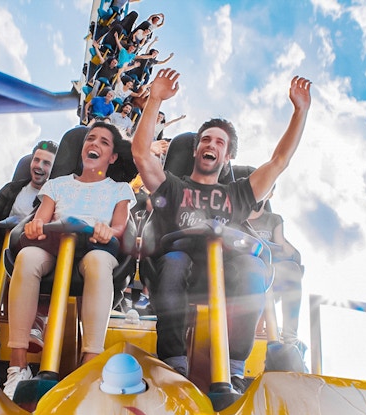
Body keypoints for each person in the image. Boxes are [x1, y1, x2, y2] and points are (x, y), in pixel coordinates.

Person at [131, 68, 311, 391]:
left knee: (253, 265)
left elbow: (279, 161)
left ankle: (233, 370)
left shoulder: (238, 194)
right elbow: (142, 155)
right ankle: (174, 366)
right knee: (172, 262)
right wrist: (155, 98)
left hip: (225, 279)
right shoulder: (173, 188)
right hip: (183, 273)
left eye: (218, 142)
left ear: (226, 156)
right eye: (204, 140)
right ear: (197, 150)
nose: (209, 145)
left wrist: (300, 112)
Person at [4, 122, 137, 399]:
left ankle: (89, 367)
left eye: (103, 142)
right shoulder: (57, 185)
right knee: (27, 257)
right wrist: (36, 226)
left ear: (112, 157)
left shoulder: (119, 189)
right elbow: (41, 217)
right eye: (90, 139)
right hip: (55, 244)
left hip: (94, 246)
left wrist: (107, 231)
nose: (94, 145)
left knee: (99, 262)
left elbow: (119, 227)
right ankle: (17, 366)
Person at [0, 141, 58, 331]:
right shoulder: (13, 189)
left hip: (34, 249)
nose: (39, 166)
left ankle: (36, 324)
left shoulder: (53, 196)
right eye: (36, 160)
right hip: (4, 247)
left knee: (34, 259)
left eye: (46, 163)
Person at [245, 187, 307, 359]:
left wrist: (294, 254)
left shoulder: (273, 220)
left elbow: (281, 245)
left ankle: (290, 337)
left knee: (291, 270)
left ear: (270, 195)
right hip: (248, 266)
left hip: (271, 267)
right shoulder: (239, 216)